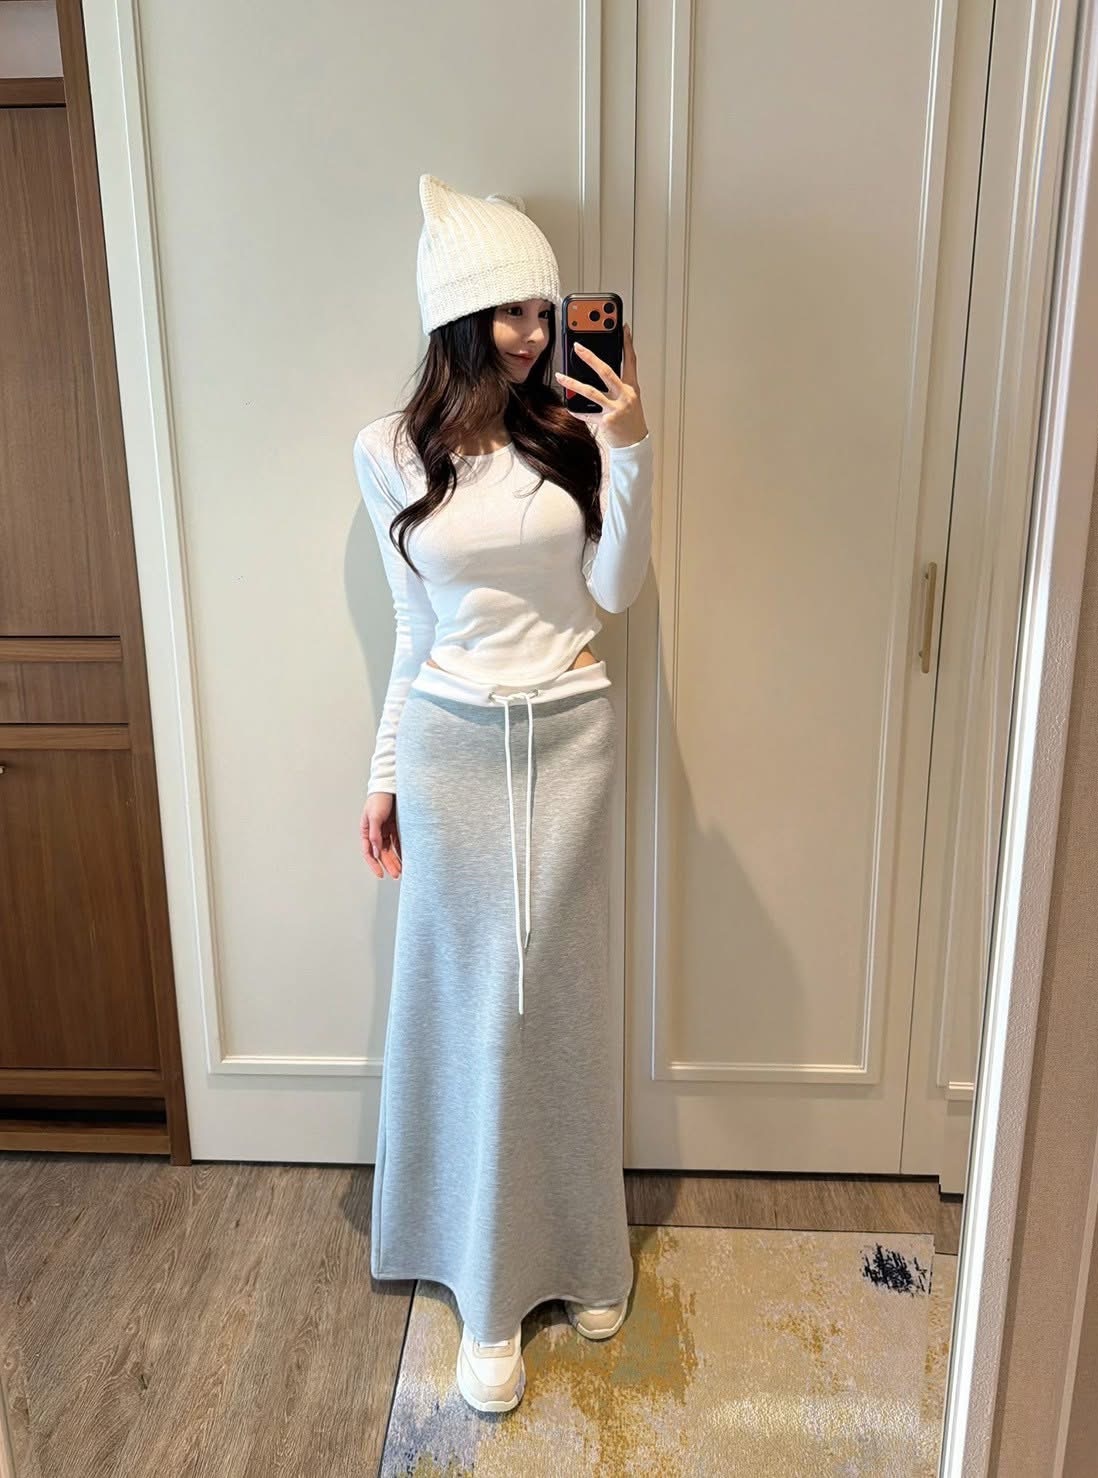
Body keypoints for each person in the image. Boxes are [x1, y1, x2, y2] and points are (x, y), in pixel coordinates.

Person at [353, 173, 654, 1415]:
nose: (533, 333)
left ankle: (582, 1250)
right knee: (475, 1012)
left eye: (545, 309)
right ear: (456, 316)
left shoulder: (575, 426)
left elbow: (616, 592)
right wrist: (383, 773)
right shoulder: (387, 451)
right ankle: (485, 1290)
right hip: (449, 747)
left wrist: (631, 446)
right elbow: (412, 629)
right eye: (511, 311)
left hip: (571, 733)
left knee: (558, 1008)